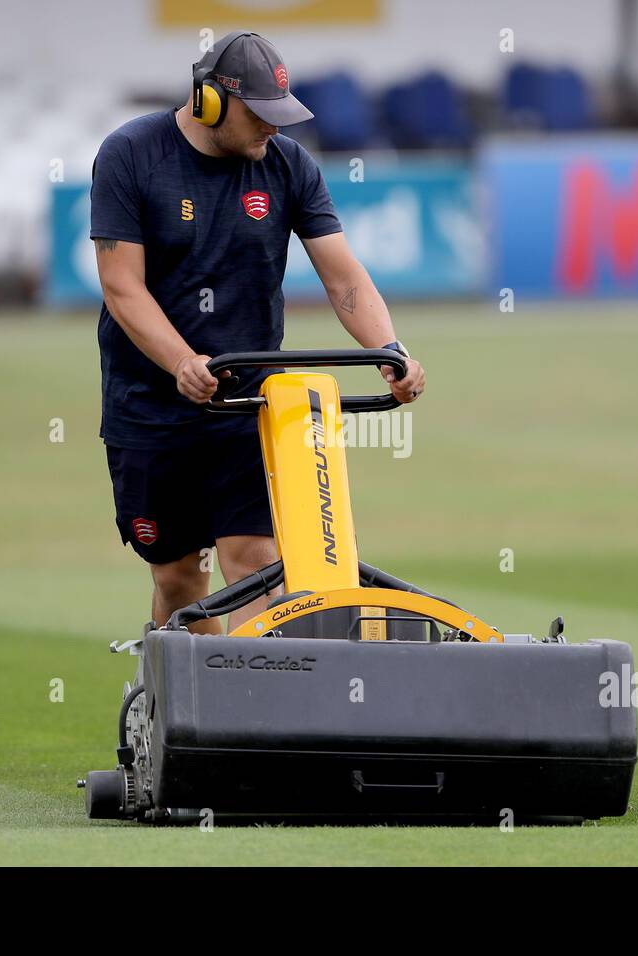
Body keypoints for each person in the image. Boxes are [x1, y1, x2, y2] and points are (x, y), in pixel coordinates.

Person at [90, 30, 425, 634]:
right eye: (260, 116)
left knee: (257, 564)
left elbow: (343, 276)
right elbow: (122, 287)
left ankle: (246, 715)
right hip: (149, 406)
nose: (274, 129)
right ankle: (173, 706)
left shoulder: (289, 165)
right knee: (179, 578)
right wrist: (182, 363)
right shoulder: (131, 155)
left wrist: (389, 351)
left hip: (250, 403)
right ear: (210, 101)